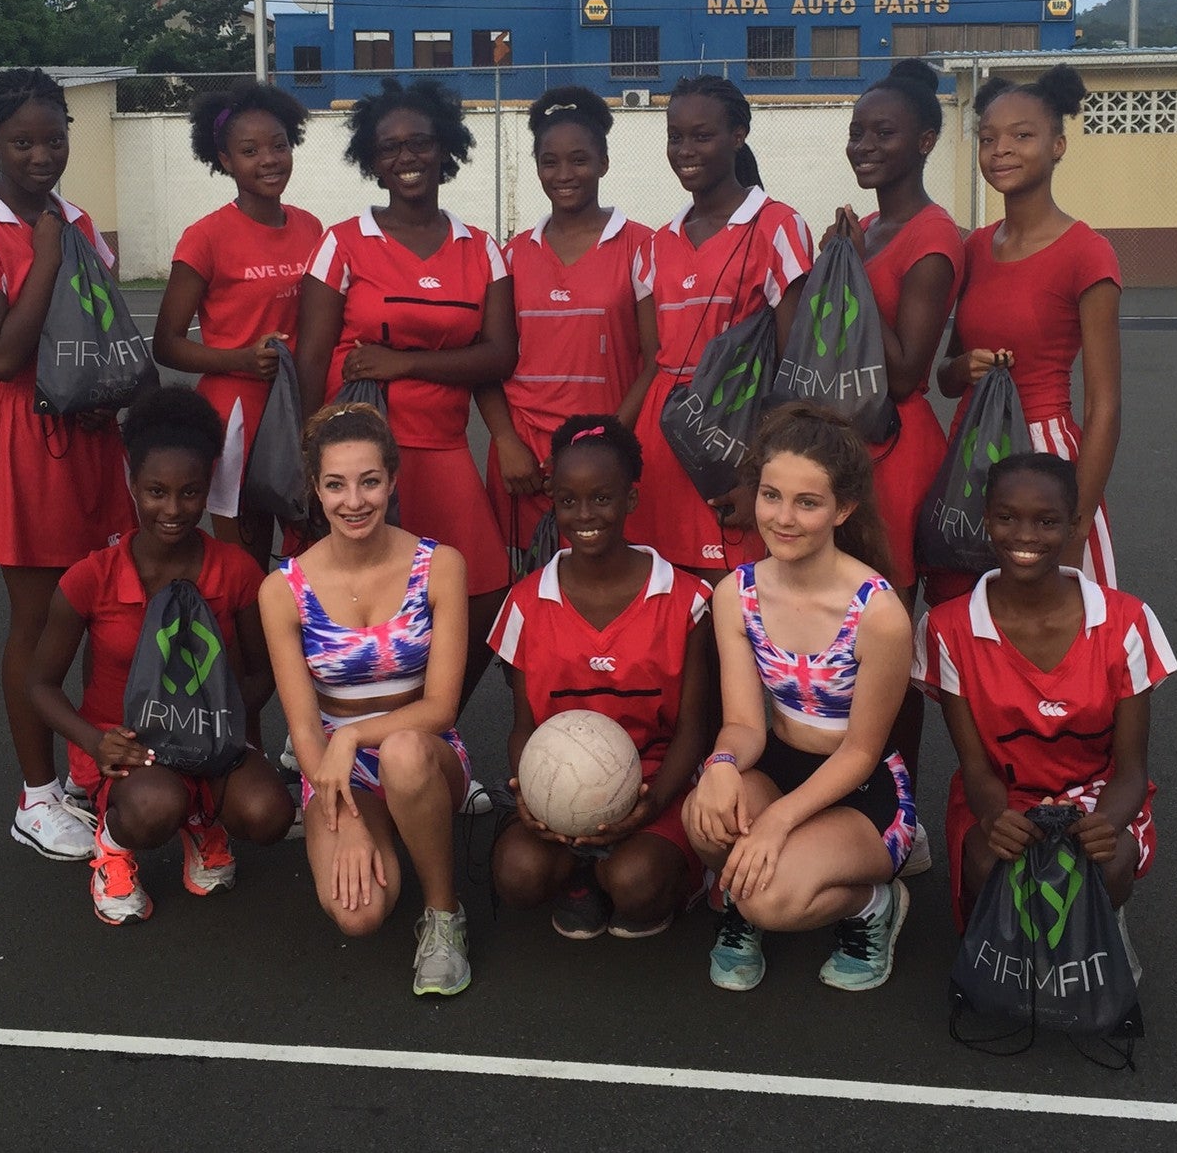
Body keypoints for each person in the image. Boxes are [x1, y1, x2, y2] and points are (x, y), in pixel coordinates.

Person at [0, 68, 130, 861]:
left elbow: (102, 327)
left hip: (88, 432)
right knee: (37, 617)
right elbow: (4, 353)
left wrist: (105, 392)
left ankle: (88, 765)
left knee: (98, 605)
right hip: (20, 434)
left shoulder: (80, 216)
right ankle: (37, 792)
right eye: (22, 140)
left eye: (54, 137)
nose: (42, 154)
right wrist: (50, 254)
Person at [29, 387, 294, 924]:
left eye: (190, 492)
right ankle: (113, 848)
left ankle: (204, 821)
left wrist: (223, 723)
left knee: (269, 812)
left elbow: (265, 672)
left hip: (213, 740)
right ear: (132, 485)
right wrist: (93, 741)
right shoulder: (92, 578)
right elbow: (39, 684)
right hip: (130, 747)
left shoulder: (238, 571)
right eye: (156, 491)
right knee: (154, 806)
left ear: (207, 489)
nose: (173, 510)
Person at [295, 76, 513, 722]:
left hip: (441, 448)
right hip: (359, 453)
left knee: (486, 594)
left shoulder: (482, 248)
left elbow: (500, 355)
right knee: (362, 598)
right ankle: (342, 727)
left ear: (446, 147)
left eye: (420, 141)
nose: (406, 157)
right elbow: (310, 357)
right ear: (371, 159)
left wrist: (405, 361)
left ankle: (421, 723)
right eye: (389, 147)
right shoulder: (342, 241)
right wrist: (313, 468)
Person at [683, 404, 919, 993]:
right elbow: (743, 724)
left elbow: (862, 752)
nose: (783, 518)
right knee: (703, 818)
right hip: (781, 763)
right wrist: (719, 764)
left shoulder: (879, 614)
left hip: (861, 789)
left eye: (807, 503)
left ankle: (871, 905)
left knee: (773, 898)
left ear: (843, 509)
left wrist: (776, 823)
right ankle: (742, 894)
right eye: (770, 495)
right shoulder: (735, 594)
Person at [259, 401, 474, 997]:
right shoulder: (282, 590)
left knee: (405, 752)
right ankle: (380, 832)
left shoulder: (440, 566)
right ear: (315, 490)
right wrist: (341, 813)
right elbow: (304, 728)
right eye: (336, 485)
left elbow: (442, 709)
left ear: (392, 481)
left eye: (369, 481)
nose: (354, 501)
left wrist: (352, 735)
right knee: (358, 916)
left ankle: (443, 914)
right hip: (333, 768)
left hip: (424, 750)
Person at [914, 453, 1177, 938]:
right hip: (1004, 793)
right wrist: (996, 815)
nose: (1025, 536)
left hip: (1096, 791)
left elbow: (1132, 768)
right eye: (1007, 517)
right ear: (986, 519)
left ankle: (1096, 937)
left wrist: (1108, 821)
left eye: (1047, 521)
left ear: (1076, 524)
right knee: (990, 861)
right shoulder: (949, 628)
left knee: (1106, 864)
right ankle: (1005, 953)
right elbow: (975, 767)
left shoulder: (1126, 622)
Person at [488, 415, 714, 940]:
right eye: (568, 501)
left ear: (631, 500)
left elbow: (693, 731)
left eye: (602, 499)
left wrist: (650, 805)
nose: (585, 515)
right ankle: (581, 875)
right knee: (516, 874)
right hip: (562, 784)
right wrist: (531, 794)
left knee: (637, 886)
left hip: (654, 785)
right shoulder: (526, 603)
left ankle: (680, 875)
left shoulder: (687, 601)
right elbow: (524, 724)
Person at [927, 65, 1121, 608]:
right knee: (967, 614)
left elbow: (1105, 404)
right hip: (971, 450)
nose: (1001, 150)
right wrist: (964, 367)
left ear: (1058, 145)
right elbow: (944, 377)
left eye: (1022, 136)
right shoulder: (972, 248)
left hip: (1045, 453)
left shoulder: (1087, 252)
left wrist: (1076, 523)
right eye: (988, 139)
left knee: (1061, 626)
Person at [827, 58, 964, 794]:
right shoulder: (874, 226)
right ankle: (851, 785)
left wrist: (846, 271)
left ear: (926, 140)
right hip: (851, 447)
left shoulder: (933, 235)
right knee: (843, 633)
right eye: (856, 132)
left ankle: (898, 807)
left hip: (898, 452)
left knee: (887, 643)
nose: (864, 144)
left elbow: (909, 369)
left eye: (884, 131)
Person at [630, 78, 813, 580]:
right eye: (675, 137)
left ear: (738, 134)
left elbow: (793, 367)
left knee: (731, 596)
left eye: (701, 136)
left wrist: (760, 474)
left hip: (735, 435)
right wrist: (609, 440)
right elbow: (654, 362)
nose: (685, 151)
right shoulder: (654, 245)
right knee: (664, 594)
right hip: (664, 436)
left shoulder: (778, 226)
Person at [476, 88, 656, 557]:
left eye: (579, 160)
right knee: (531, 588)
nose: (564, 175)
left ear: (604, 162)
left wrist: (608, 444)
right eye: (549, 162)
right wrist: (506, 441)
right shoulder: (511, 254)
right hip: (525, 460)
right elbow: (486, 360)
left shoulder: (643, 246)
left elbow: (658, 361)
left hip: (604, 458)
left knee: (606, 584)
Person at [153, 83, 323, 557]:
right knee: (243, 561)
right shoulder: (205, 237)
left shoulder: (310, 226)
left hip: (299, 406)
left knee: (303, 551)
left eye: (279, 145)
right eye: (249, 151)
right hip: (236, 416)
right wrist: (241, 361)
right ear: (225, 160)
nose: (268, 159)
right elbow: (165, 343)